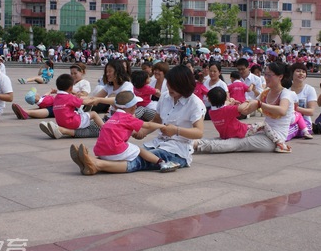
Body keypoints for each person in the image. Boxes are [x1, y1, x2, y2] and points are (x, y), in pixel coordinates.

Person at [72, 65, 206, 175]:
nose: (169, 89)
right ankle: (92, 161)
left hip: (177, 150)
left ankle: (97, 164)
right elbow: (157, 120)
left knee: (140, 159)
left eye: (174, 86)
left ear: (184, 84)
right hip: (158, 143)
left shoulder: (194, 103)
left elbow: (199, 132)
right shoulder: (165, 97)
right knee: (128, 153)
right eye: (169, 85)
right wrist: (142, 132)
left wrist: (176, 130)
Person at [70, 91, 180, 175]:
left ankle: (88, 159)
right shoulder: (127, 118)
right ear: (133, 107)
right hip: (116, 149)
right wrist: (162, 126)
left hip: (100, 151)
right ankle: (161, 163)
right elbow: (148, 125)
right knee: (139, 150)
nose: (136, 106)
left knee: (113, 154)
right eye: (135, 104)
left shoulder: (113, 117)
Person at [194, 61, 293, 154]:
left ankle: (196, 145)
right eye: (265, 74)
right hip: (262, 131)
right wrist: (237, 105)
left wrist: (260, 104)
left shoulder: (286, 94)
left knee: (236, 143)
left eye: (269, 75)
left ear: (280, 77)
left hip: (274, 138)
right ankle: (193, 142)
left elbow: (282, 110)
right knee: (229, 139)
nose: (266, 77)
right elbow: (247, 109)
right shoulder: (266, 92)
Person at [207, 87, 283, 144]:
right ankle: (278, 142)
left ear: (209, 100)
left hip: (225, 135)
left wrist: (230, 103)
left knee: (251, 126)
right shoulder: (228, 109)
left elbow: (221, 108)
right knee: (263, 125)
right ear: (225, 99)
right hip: (240, 132)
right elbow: (242, 108)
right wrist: (247, 102)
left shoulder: (211, 111)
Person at [39, 74, 103, 138]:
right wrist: (96, 100)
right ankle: (106, 130)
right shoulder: (69, 97)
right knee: (93, 114)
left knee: (81, 116)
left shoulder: (56, 97)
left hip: (61, 123)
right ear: (71, 88)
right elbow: (86, 102)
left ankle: (58, 130)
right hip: (72, 122)